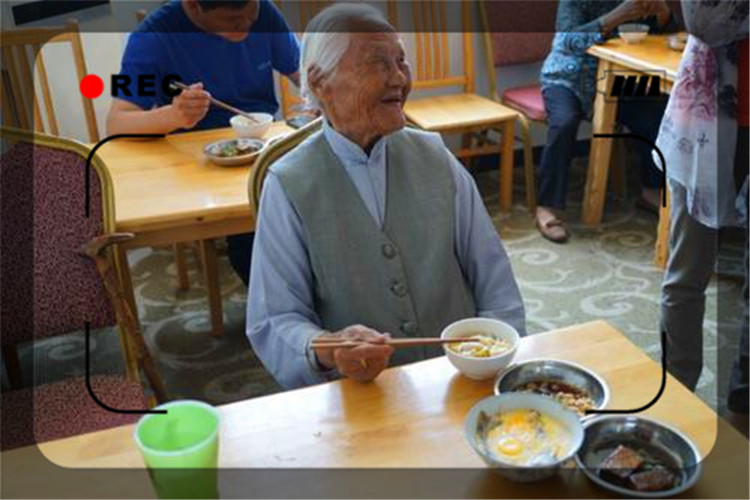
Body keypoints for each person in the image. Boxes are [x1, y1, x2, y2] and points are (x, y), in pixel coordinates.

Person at [246, 3, 526, 390]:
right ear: (321, 81)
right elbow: (276, 317)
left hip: (458, 375)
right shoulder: (288, 183)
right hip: (363, 392)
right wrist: (328, 348)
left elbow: (494, 277)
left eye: (401, 60)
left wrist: (492, 356)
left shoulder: (437, 158)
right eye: (378, 62)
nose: (399, 78)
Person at [107, 0, 300, 285]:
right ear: (193, 6)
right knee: (255, 234)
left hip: (263, 146)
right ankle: (277, 303)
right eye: (234, 21)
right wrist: (173, 115)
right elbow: (117, 122)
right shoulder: (153, 37)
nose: (248, 27)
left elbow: (304, 73)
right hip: (197, 163)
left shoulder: (264, 12)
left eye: (252, 15)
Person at [656, 0, 748, 429]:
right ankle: (676, 397)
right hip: (704, 121)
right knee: (686, 274)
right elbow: (705, 21)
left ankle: (742, 405)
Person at [536, 0, 677, 243]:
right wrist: (616, 16)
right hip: (568, 77)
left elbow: (665, 35)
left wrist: (663, 14)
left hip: (618, 80)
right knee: (564, 122)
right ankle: (546, 206)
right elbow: (568, 41)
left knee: (657, 113)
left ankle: (650, 188)